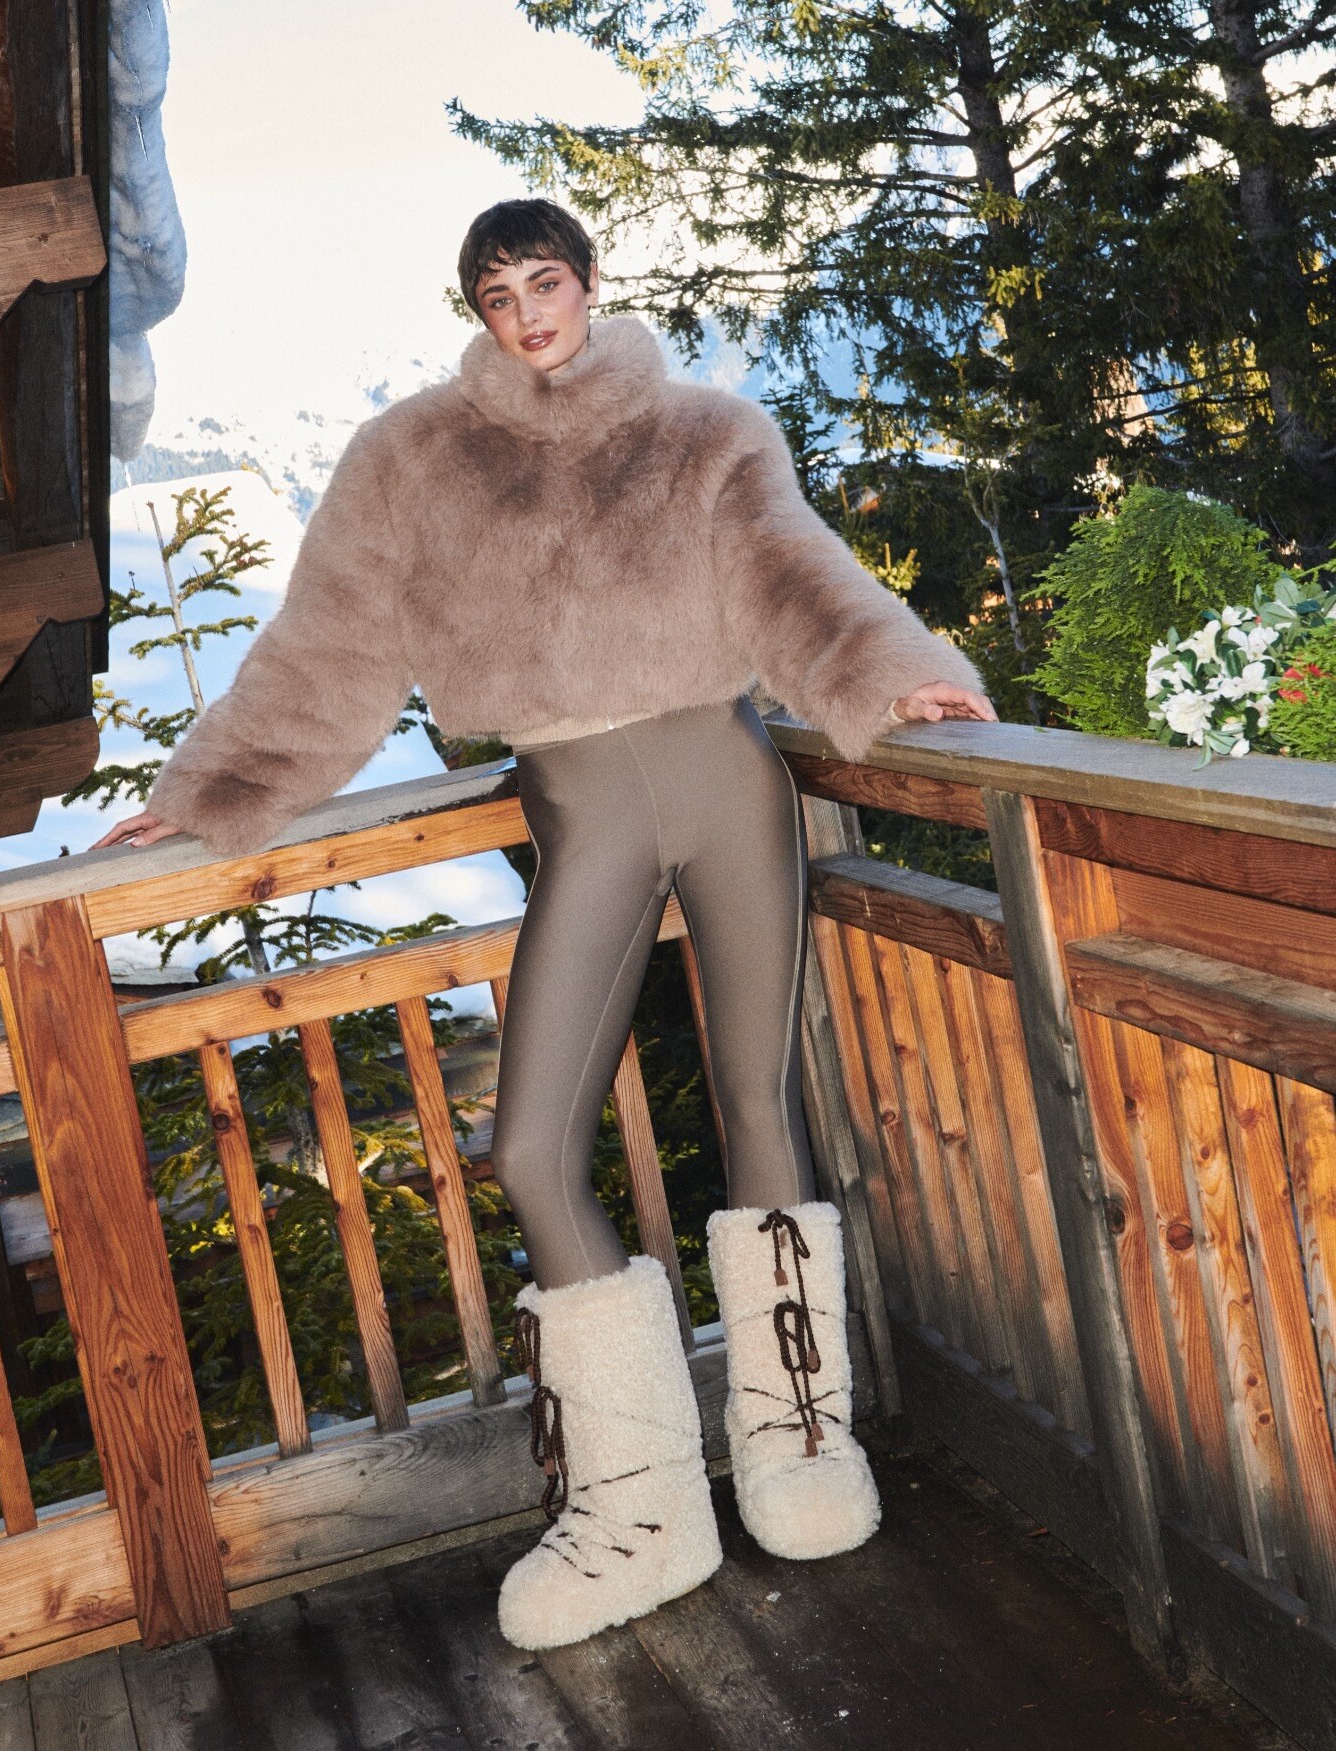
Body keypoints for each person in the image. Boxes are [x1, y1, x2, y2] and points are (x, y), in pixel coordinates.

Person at [94, 199, 995, 1652]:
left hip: (731, 783)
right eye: (497, 294)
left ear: (586, 283)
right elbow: (327, 641)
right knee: (528, 1151)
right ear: (475, 310)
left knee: (758, 1102)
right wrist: (209, 794)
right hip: (585, 811)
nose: (527, 314)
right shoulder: (412, 458)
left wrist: (892, 677)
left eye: (545, 282)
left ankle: (798, 1440)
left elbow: (793, 575)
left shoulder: (705, 430)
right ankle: (641, 1504)